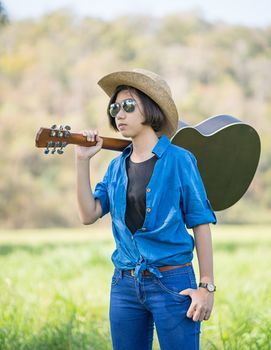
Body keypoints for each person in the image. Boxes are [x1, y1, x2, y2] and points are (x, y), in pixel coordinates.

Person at [75, 68, 217, 350]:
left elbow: (200, 223)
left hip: (174, 283)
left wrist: (207, 287)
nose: (119, 114)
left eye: (128, 106)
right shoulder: (115, 167)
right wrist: (82, 161)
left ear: (150, 109)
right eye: (115, 107)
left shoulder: (180, 160)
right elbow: (88, 214)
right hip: (125, 285)